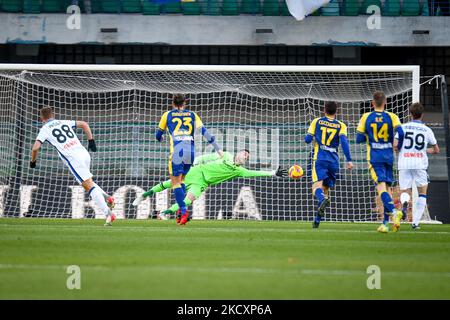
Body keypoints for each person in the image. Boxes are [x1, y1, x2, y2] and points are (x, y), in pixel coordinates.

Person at [133, 150, 287, 224]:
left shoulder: (240, 171)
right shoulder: (225, 155)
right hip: (196, 171)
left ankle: (162, 213)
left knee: (187, 200)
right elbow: (209, 156)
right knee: (168, 184)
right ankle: (144, 195)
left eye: (247, 158)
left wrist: (273, 172)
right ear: (238, 153)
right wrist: (196, 161)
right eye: (244, 154)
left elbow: (256, 173)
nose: (245, 157)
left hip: (202, 183)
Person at [30, 107, 116, 226]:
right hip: (84, 154)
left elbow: (35, 148)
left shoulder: (44, 129)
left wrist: (33, 161)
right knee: (87, 182)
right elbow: (84, 124)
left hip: (74, 158)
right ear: (53, 115)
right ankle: (107, 198)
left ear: (41, 118)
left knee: (88, 186)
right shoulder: (63, 122)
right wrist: (91, 141)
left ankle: (108, 214)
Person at [156, 94, 222, 225]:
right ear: (184, 103)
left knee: (175, 183)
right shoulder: (192, 114)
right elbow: (204, 132)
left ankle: (184, 211)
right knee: (183, 180)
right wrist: (218, 149)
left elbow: (158, 135)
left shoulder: (167, 115)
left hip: (177, 151)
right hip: (190, 152)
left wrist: (162, 139)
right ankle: (181, 213)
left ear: (172, 103)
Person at [356, 91, 403, 233]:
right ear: (385, 102)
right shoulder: (392, 116)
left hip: (375, 157)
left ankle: (395, 212)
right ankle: (385, 224)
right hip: (389, 156)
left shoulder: (366, 117)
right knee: (388, 190)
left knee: (380, 188)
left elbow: (358, 139)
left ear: (372, 103)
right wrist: (397, 147)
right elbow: (401, 133)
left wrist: (370, 137)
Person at [305, 101, 353, 229]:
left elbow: (307, 140)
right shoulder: (341, 125)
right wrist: (349, 159)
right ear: (336, 111)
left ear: (324, 109)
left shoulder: (317, 121)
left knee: (316, 187)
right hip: (334, 161)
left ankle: (321, 201)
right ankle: (317, 221)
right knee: (325, 190)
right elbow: (344, 142)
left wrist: (314, 136)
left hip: (319, 158)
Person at [394, 102, 440, 229]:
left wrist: (400, 149)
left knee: (405, 191)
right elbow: (436, 150)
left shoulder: (403, 127)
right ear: (422, 115)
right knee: (422, 194)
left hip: (404, 163)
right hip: (420, 164)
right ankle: (415, 223)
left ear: (410, 114)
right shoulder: (427, 130)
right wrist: (424, 150)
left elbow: (395, 145)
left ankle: (404, 205)